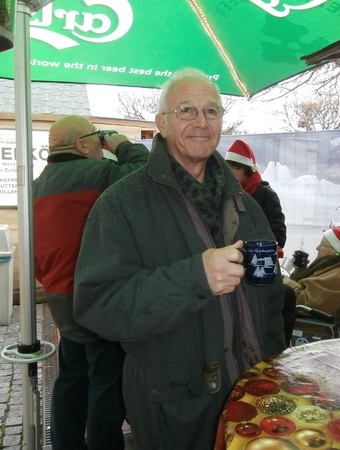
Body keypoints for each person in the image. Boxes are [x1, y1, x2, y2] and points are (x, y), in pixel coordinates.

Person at [73, 68, 286, 449]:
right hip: (175, 405)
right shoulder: (122, 204)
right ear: (162, 123)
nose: (201, 123)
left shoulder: (246, 205)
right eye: (186, 110)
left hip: (250, 394)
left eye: (212, 111)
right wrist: (195, 278)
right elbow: (100, 307)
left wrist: (271, 368)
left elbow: (271, 300)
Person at [33, 115, 149, 450]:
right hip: (99, 298)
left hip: (60, 297)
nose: (102, 146)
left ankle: (65, 444)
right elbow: (143, 172)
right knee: (105, 381)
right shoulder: (101, 174)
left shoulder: (38, 183)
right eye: (97, 139)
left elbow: (35, 253)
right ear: (82, 144)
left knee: (70, 376)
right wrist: (122, 144)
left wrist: (55, 282)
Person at [282, 227, 340, 342]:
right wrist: (301, 271)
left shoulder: (337, 277)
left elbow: (304, 304)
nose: (317, 248)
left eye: (322, 244)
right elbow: (315, 290)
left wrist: (289, 284)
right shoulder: (337, 267)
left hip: (308, 327)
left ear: (336, 250)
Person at [225, 139, 287, 256]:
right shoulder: (226, 192)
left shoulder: (265, 195)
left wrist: (257, 248)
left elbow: (278, 235)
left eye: (235, 167)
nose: (230, 172)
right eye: (228, 167)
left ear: (247, 168)